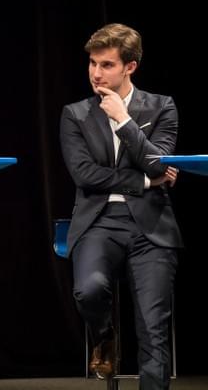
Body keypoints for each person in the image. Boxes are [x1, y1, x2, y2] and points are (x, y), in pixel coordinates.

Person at [59, 23, 181, 389]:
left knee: (153, 327)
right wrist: (143, 181)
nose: (96, 73)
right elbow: (84, 175)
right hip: (99, 222)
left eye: (107, 65)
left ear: (130, 67)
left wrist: (124, 121)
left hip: (151, 226)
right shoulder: (75, 114)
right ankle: (105, 336)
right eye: (92, 63)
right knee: (89, 290)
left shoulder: (161, 107)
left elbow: (157, 163)